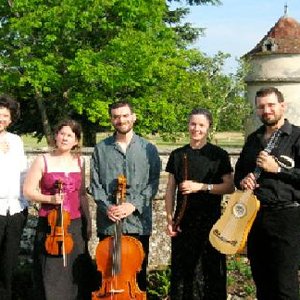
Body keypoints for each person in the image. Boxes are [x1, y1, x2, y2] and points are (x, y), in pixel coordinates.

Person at [234, 87, 300, 300]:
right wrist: (244, 181)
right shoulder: (253, 140)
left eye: (271, 105)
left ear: (283, 106)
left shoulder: (297, 136)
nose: (266, 110)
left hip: (287, 217)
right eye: (261, 106)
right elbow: (238, 176)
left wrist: (278, 169)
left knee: (284, 285)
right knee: (262, 282)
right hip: (255, 217)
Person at [89, 100, 161, 292]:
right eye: (116, 117)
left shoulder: (149, 149)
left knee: (137, 276)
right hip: (109, 223)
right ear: (112, 120)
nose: (121, 120)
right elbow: (95, 186)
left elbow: (153, 183)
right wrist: (107, 208)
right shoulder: (101, 149)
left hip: (138, 223)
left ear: (133, 117)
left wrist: (133, 205)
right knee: (108, 275)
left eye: (125, 115)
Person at [164, 108, 235, 300]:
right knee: (183, 272)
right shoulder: (178, 155)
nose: (196, 129)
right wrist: (170, 218)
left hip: (210, 222)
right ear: (188, 125)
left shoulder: (218, 155)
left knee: (210, 270)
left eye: (201, 125)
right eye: (193, 124)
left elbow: (229, 187)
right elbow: (170, 189)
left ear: (208, 127)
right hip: (183, 222)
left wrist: (201, 187)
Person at [23, 119, 91, 300]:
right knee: (50, 273)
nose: (65, 138)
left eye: (70, 135)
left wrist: (88, 223)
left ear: (76, 141)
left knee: (74, 274)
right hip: (50, 225)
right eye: (62, 133)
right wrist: (50, 199)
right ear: (56, 136)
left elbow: (82, 194)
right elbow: (28, 191)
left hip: (74, 224)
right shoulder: (42, 160)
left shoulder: (80, 162)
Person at [0, 94, 28, 300]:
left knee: (8, 266)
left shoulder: (16, 140)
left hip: (15, 210)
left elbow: (23, 172)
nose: (1, 119)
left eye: (5, 115)